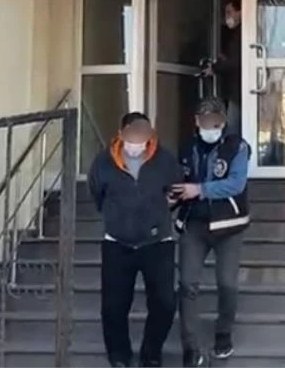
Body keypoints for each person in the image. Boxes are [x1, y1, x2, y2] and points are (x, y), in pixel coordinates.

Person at [87, 112, 182, 368]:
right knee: (113, 305)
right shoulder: (103, 162)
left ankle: (151, 353)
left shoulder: (165, 160)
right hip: (117, 243)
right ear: (121, 134)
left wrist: (159, 212)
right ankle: (119, 355)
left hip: (158, 242)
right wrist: (116, 217)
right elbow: (97, 193)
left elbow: (176, 191)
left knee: (164, 303)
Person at [172, 97, 251, 367]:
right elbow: (180, 181)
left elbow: (236, 184)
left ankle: (223, 334)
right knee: (187, 285)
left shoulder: (237, 147)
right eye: (205, 120)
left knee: (227, 284)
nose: (210, 126)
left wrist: (200, 189)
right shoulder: (186, 147)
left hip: (228, 226)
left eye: (215, 121)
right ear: (196, 121)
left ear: (223, 122)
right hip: (194, 224)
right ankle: (190, 347)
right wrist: (173, 197)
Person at [209, 0, 242, 135]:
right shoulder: (235, 34)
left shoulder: (243, 34)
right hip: (236, 90)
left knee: (233, 128)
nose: (227, 17)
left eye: (229, 12)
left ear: (240, 12)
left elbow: (235, 60)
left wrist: (215, 68)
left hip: (239, 91)